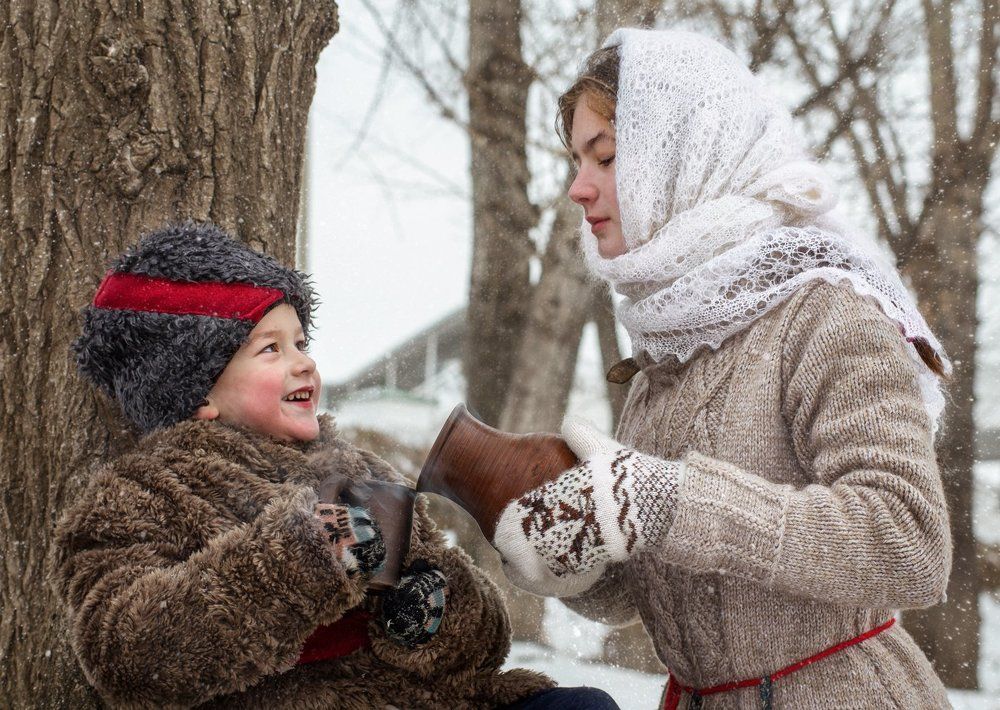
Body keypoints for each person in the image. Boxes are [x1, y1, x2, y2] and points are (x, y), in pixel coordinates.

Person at [493, 29, 953, 709]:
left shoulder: (826, 311)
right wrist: (578, 559)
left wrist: (668, 499)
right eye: (576, 161)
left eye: (605, 157)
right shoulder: (669, 346)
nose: (577, 188)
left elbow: (910, 543)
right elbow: (677, 582)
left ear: (683, 157)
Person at [52, 222, 620, 709]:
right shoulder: (141, 496)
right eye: (271, 349)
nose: (304, 363)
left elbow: (483, 647)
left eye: (301, 343)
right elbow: (128, 655)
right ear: (197, 390)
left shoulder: (362, 470)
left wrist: (425, 606)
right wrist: (309, 555)